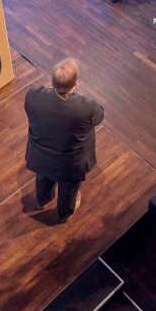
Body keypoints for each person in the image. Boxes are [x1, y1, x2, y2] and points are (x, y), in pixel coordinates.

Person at [24, 59, 104, 224]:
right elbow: (99, 116)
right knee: (68, 189)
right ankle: (64, 214)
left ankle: (42, 200)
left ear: (52, 80)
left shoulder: (33, 96)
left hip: (41, 155)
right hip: (70, 163)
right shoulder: (86, 107)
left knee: (43, 177)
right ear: (76, 83)